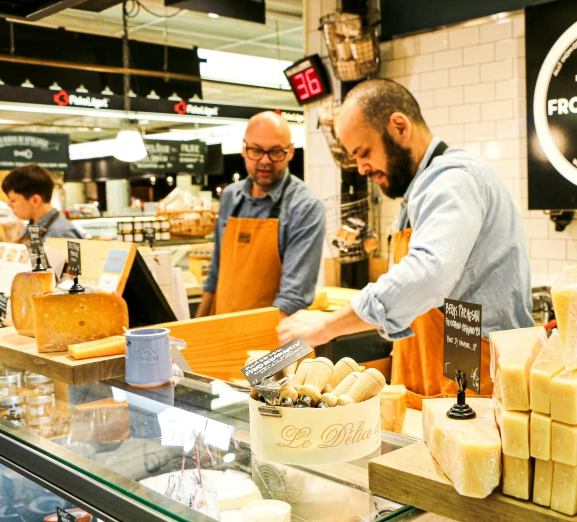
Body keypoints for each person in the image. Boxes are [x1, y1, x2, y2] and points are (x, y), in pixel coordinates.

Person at [278, 79, 534, 408]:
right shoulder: (420, 189)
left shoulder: (452, 179)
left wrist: (326, 326)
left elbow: (428, 274)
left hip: (472, 378)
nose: (361, 168)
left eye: (364, 152)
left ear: (399, 127)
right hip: (434, 377)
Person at [197, 111, 326, 319]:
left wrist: (266, 351)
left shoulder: (305, 206)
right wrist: (195, 336)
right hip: (223, 335)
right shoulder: (231, 196)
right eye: (256, 150)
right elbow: (215, 277)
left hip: (274, 340)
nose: (265, 161)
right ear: (243, 149)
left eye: (275, 152)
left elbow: (293, 299)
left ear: (290, 151)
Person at [2, 164, 84, 240]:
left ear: (35, 201)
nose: (8, 204)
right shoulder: (32, 226)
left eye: (13, 200)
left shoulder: (61, 235)